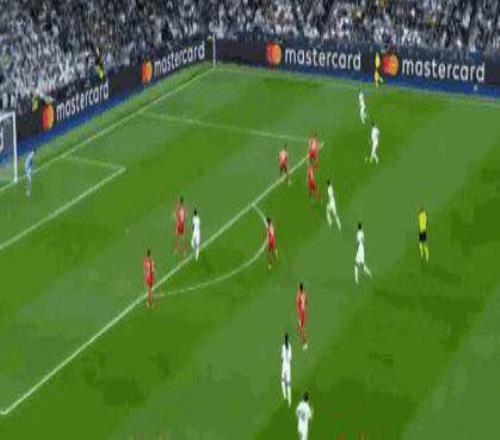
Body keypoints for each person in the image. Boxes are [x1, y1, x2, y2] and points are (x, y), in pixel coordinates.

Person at [281, 332, 292, 407]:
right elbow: (290, 358)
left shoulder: (283, 346)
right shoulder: (289, 346)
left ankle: (285, 397)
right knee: (288, 384)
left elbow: (282, 357)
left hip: (284, 365)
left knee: (282, 381)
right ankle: (289, 401)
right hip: (288, 365)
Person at [296, 283, 308, 349]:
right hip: (303, 313)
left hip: (301, 314)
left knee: (301, 329)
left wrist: (299, 311)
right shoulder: (304, 294)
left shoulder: (299, 295)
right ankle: (304, 341)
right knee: (300, 327)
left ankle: (305, 343)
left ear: (299, 288)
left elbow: (297, 303)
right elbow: (306, 301)